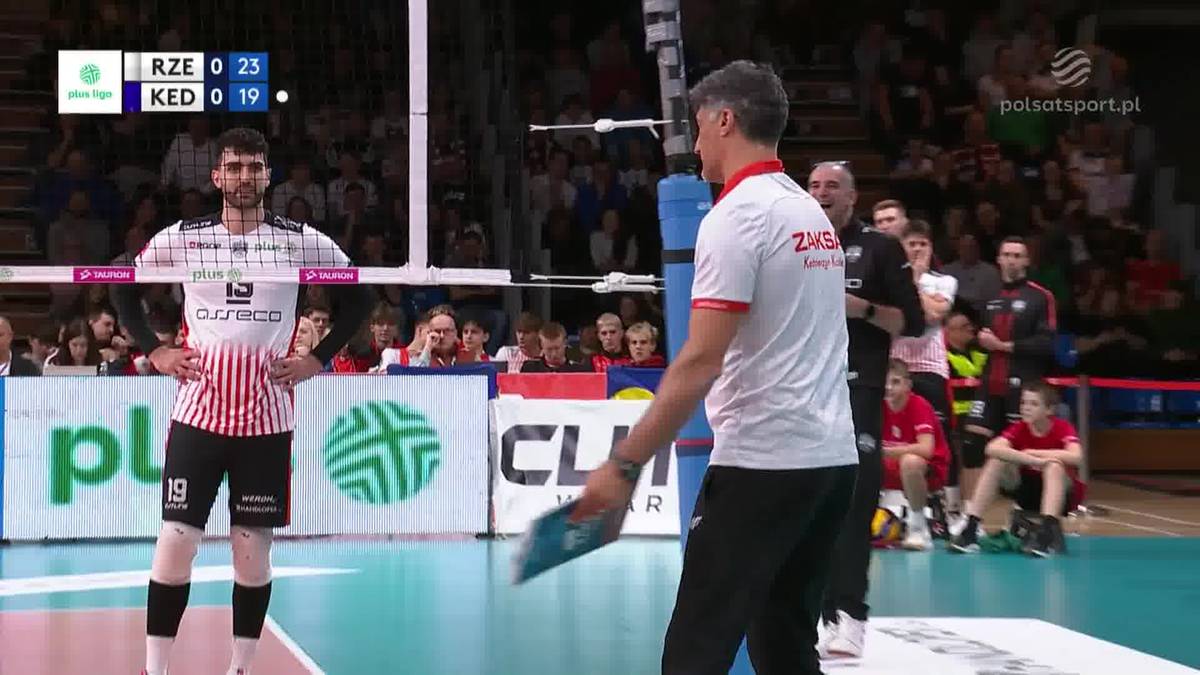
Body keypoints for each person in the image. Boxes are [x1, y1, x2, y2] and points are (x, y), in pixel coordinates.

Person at [574, 60, 858, 675]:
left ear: (725, 120)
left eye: (699, 123)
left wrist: (624, 465)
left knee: (695, 651)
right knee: (784, 646)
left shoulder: (737, 216)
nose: (695, 140)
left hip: (763, 464)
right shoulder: (808, 213)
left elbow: (700, 360)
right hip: (830, 462)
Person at [111, 127, 374, 675]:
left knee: (251, 553)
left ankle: (240, 669)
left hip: (266, 419)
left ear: (268, 174)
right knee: (175, 542)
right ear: (216, 176)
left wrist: (317, 359)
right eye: (233, 167)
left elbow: (359, 298)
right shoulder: (184, 237)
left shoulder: (301, 240)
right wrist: (156, 350)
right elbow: (122, 285)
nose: (243, 177)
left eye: (253, 167)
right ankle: (154, 670)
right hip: (199, 414)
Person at [809, 159, 923, 659]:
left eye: (832, 185)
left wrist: (864, 310)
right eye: (814, 185)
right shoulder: (795, 246)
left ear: (852, 197)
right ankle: (816, 614)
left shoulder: (879, 248)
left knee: (854, 503)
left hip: (858, 387)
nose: (822, 192)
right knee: (808, 506)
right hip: (805, 392)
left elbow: (912, 323)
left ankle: (850, 616)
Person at [961, 236, 1056, 513]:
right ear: (998, 259)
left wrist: (1003, 346)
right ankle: (968, 514)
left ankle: (1023, 510)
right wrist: (979, 339)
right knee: (972, 444)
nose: (1012, 260)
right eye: (1007, 255)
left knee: (1021, 451)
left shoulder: (1040, 296)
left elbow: (1047, 343)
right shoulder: (989, 295)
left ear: (1026, 261)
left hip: (1024, 384)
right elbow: (979, 336)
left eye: (1017, 255)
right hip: (991, 381)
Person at [950, 380, 1084, 557]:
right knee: (996, 461)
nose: (1026, 408)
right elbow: (991, 448)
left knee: (1054, 466)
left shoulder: (1062, 427)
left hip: (1061, 495)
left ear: (1049, 410)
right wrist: (1029, 459)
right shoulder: (1019, 428)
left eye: (1033, 404)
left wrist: (1037, 454)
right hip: (1025, 491)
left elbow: (1076, 456)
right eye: (1023, 403)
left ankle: (1045, 535)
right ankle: (971, 527)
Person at [888, 219, 958, 511]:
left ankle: (948, 505)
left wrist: (915, 280)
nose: (917, 249)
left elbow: (931, 316)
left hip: (930, 369)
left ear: (931, 248)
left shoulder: (945, 281)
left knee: (939, 436)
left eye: (923, 244)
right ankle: (900, 500)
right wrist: (916, 289)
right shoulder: (890, 279)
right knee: (896, 434)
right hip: (896, 366)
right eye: (911, 244)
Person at [881, 360, 951, 551]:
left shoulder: (919, 405)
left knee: (910, 461)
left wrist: (886, 452)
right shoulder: (876, 406)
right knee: (859, 458)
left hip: (929, 471)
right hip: (891, 466)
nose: (889, 387)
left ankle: (918, 527)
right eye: (885, 382)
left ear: (908, 385)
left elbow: (926, 449)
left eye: (895, 382)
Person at [520, 321, 590, 372]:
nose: (554, 354)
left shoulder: (578, 370)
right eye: (549, 349)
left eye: (557, 348)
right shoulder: (530, 369)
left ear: (565, 343)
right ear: (541, 346)